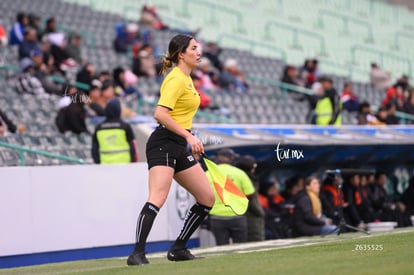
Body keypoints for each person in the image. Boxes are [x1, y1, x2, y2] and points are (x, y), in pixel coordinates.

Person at [127, 34, 215, 266]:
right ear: (181, 54)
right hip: (163, 142)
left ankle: (178, 248)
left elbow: (180, 116)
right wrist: (188, 135)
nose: (199, 52)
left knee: (207, 198)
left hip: (178, 144)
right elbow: (160, 114)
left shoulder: (187, 78)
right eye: (194, 48)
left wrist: (189, 138)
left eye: (199, 48)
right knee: (158, 197)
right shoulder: (176, 79)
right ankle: (137, 253)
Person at [206, 149, 255, 245]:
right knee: (241, 247)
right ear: (231, 158)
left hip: (217, 217)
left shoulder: (208, 174)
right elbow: (250, 194)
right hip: (238, 215)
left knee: (222, 247)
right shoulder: (239, 173)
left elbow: (202, 195)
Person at [91, 98, 138, 164]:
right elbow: (133, 148)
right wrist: (132, 162)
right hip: (125, 164)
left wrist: (98, 163)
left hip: (105, 165)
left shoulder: (99, 127)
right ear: (119, 111)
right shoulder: (125, 126)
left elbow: (94, 149)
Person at [235, 155, 265, 242]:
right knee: (255, 240)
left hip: (239, 214)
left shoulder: (237, 176)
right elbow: (252, 199)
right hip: (251, 215)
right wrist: (260, 212)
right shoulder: (249, 179)